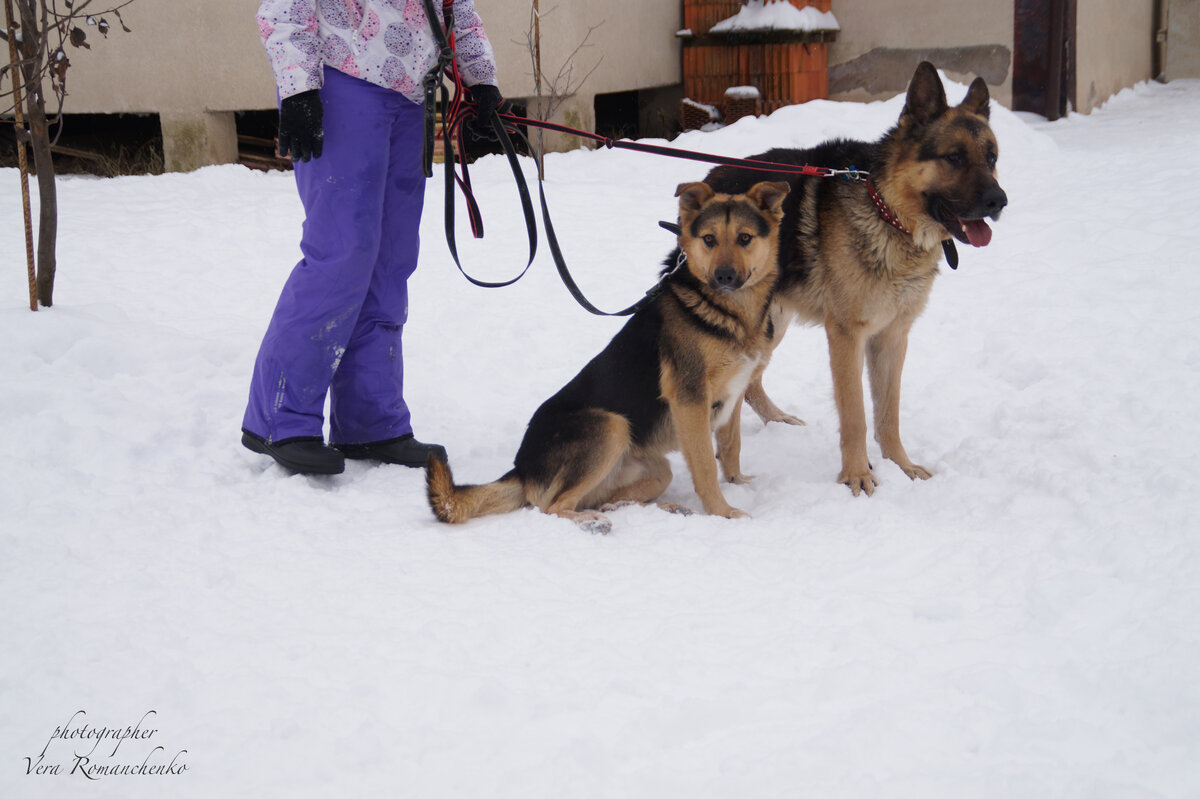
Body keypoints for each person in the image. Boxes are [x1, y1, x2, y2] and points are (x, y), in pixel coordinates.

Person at [243, 0, 503, 475]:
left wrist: (481, 80)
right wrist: (299, 90)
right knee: (342, 253)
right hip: (339, 80)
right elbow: (284, 9)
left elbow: (455, 7)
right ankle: (280, 418)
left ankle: (371, 421)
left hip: (409, 95)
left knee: (391, 258)